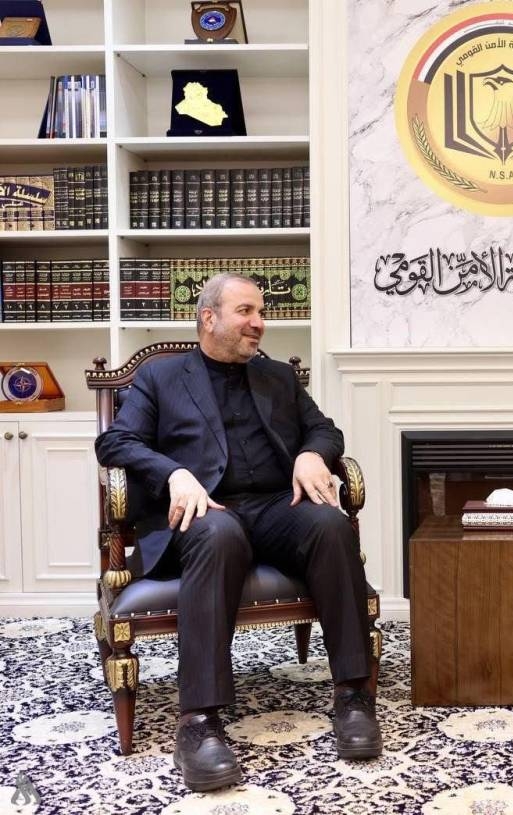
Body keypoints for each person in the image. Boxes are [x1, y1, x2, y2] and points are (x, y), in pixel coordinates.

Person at [95, 273, 381, 792]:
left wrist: (312, 454)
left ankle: (353, 695)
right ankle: (198, 723)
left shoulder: (278, 376)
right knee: (220, 534)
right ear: (209, 318)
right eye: (246, 311)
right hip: (205, 509)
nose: (259, 323)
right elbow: (115, 442)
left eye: (261, 312)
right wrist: (173, 474)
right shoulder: (161, 378)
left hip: (274, 506)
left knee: (331, 524)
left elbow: (325, 429)